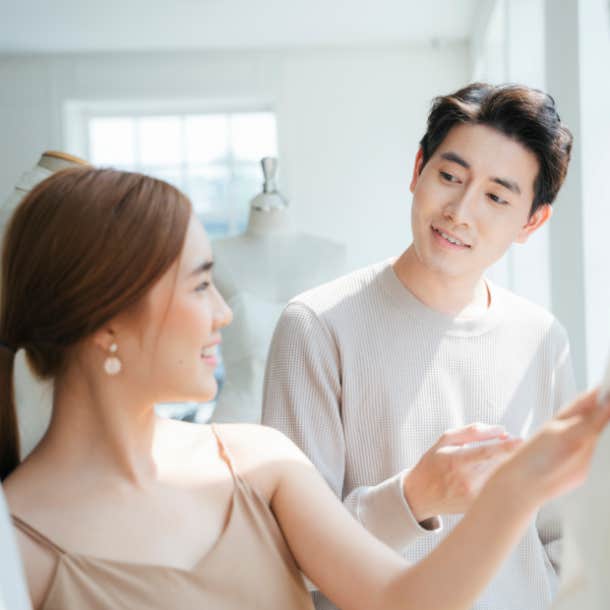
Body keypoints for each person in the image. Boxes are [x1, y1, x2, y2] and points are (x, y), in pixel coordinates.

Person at [0, 167, 606, 610]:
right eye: (200, 285)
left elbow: (405, 599)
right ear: (108, 318)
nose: (225, 314)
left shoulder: (258, 460)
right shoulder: (17, 541)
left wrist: (519, 488)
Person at [262, 82, 575, 610]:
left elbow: (564, 535)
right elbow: (288, 557)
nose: (460, 210)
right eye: (450, 177)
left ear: (532, 221)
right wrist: (414, 497)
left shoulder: (542, 338)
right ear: (417, 170)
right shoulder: (316, 326)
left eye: (497, 197)